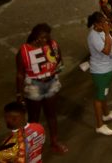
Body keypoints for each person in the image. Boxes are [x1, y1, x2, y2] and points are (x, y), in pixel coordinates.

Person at [16, 23, 68, 154]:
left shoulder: (52, 45)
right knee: (34, 117)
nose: (46, 39)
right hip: (34, 86)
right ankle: (32, 145)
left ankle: (54, 141)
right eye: (43, 37)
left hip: (51, 83)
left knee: (51, 114)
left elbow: (60, 59)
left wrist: (55, 68)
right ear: (35, 36)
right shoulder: (24, 51)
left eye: (47, 37)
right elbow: (20, 74)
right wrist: (20, 94)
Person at [86, 11, 112, 135]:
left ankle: (106, 114)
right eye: (104, 22)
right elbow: (106, 50)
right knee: (99, 97)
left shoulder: (101, 31)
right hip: (100, 71)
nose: (106, 23)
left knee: (104, 93)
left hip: (108, 67)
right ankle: (99, 125)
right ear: (97, 24)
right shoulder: (93, 36)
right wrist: (107, 33)